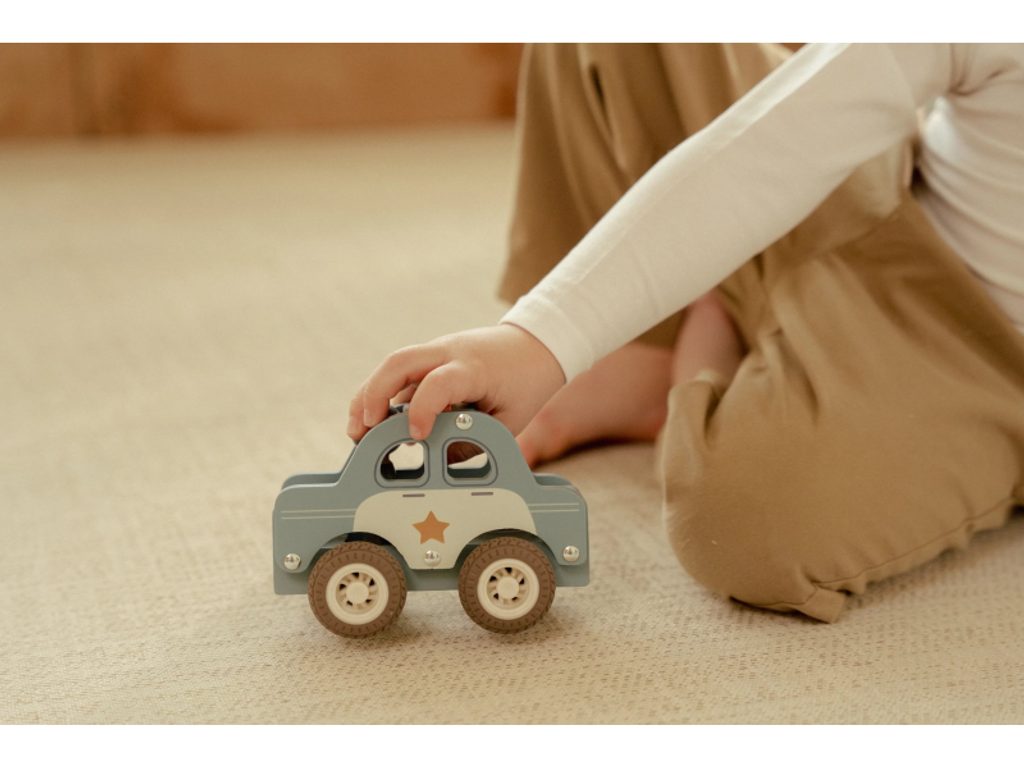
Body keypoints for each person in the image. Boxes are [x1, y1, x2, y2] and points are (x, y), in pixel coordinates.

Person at [348, 44, 1024, 622]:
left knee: (750, 524)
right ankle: (645, 350)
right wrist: (538, 339)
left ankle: (709, 345)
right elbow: (778, 143)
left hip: (985, 360)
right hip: (889, 193)